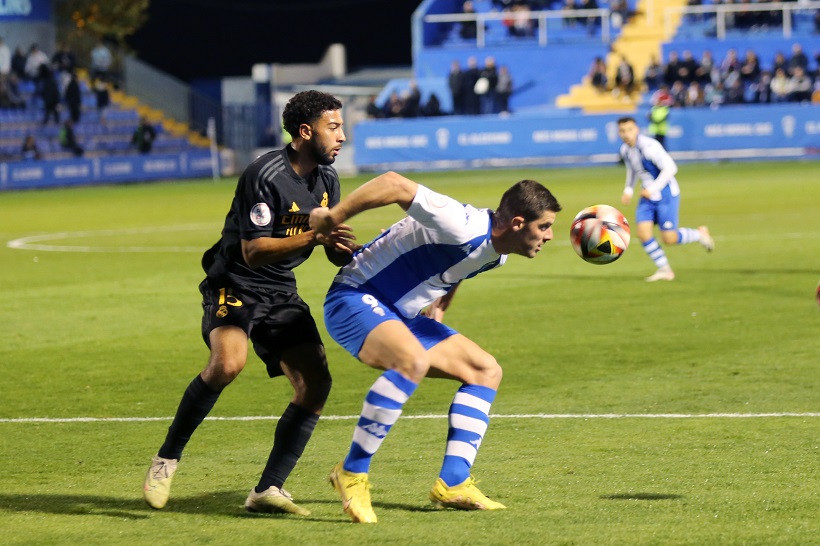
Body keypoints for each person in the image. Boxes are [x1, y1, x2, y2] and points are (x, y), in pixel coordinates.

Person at [142, 90, 357, 517]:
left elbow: (328, 249)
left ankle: (268, 489)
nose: (343, 136)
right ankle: (166, 459)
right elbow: (253, 251)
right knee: (227, 365)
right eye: (334, 127)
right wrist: (316, 235)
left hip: (281, 290)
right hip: (235, 280)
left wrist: (341, 247)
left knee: (316, 384)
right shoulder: (265, 174)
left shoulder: (328, 182)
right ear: (304, 131)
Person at [309, 173, 562, 523]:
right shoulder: (462, 223)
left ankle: (453, 483)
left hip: (401, 314)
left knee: (485, 371)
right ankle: (351, 474)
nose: (549, 236)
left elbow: (457, 269)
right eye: (545, 226)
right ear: (518, 223)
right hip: (354, 298)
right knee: (410, 361)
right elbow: (394, 184)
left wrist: (440, 305)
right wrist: (332, 217)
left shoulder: (497, 252)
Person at [616, 117, 713, 282]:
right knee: (643, 234)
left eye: (630, 129)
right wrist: (628, 190)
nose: (626, 134)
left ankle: (699, 234)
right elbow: (632, 169)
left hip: (666, 194)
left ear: (637, 129)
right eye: (623, 131)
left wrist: (652, 189)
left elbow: (671, 168)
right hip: (647, 197)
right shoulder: (625, 149)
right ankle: (665, 269)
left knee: (670, 239)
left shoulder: (650, 146)